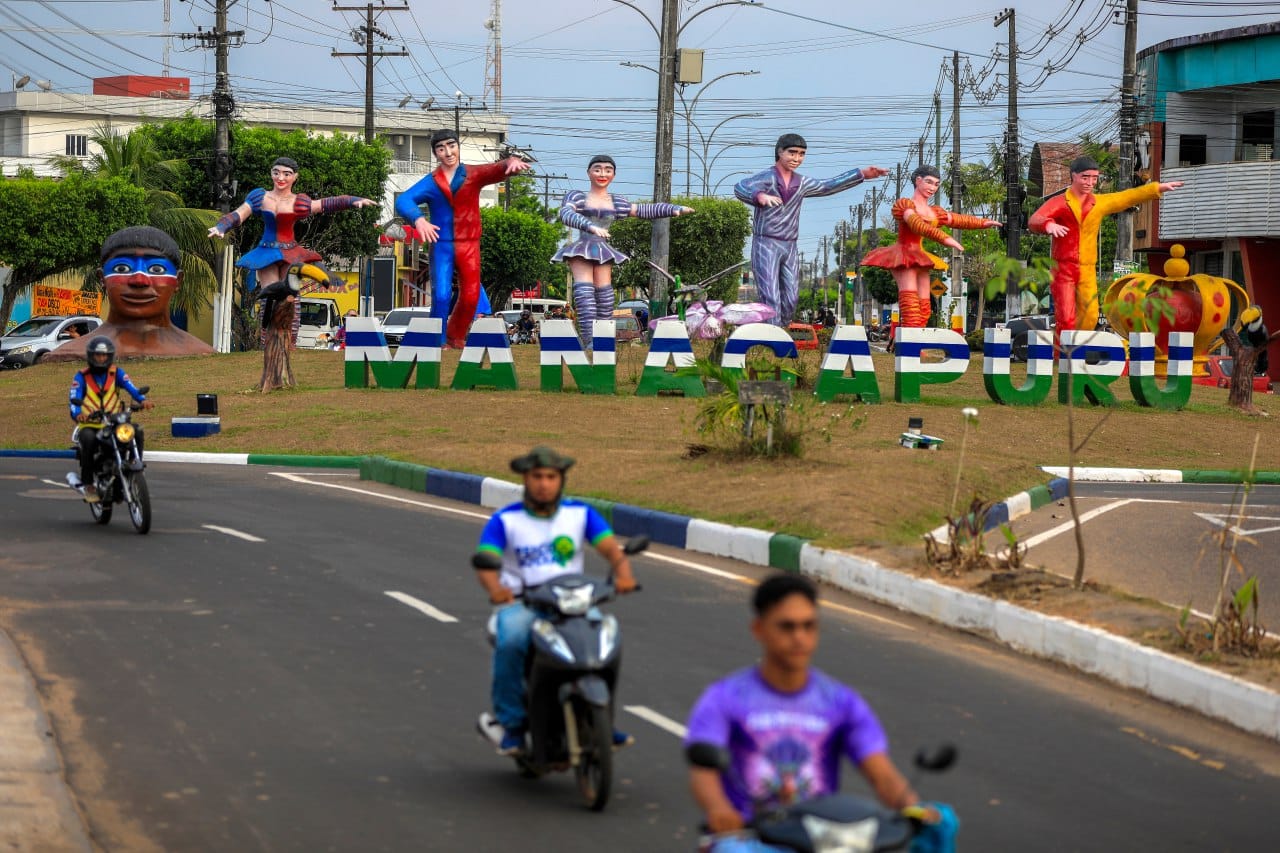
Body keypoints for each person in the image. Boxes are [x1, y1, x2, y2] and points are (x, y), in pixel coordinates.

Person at [684, 574, 957, 852]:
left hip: (824, 838)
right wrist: (719, 810)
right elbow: (702, 772)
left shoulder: (841, 702)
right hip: (750, 838)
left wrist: (913, 808)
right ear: (759, 629)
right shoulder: (723, 699)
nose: (799, 637)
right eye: (787, 627)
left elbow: (881, 774)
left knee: (942, 821)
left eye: (808, 626)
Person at [474, 446, 639, 755]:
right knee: (510, 642)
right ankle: (511, 724)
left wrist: (624, 576)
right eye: (537, 476)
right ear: (526, 478)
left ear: (561, 480)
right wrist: (495, 589)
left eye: (551, 477)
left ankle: (603, 718)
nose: (544, 484)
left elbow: (611, 549)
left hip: (572, 603)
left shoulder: (580, 514)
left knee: (606, 641)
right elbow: (486, 561)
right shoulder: (505, 520)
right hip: (523, 605)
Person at [209, 157, 376, 345]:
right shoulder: (260, 197)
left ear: (294, 177)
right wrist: (221, 227)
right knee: (270, 297)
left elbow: (325, 204)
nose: (280, 178)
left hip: (291, 253)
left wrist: (353, 201)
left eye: (286, 174)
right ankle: (268, 342)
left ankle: (290, 343)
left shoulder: (299, 202)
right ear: (271, 173)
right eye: (276, 172)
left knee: (291, 298)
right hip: (266, 253)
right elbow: (239, 213)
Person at [395, 131, 530, 348]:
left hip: (469, 242)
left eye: (451, 145)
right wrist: (419, 220)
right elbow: (403, 200)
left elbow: (494, 169)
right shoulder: (431, 182)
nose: (448, 152)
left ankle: (455, 335)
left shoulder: (472, 174)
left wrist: (510, 163)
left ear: (458, 147)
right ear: (435, 154)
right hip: (442, 243)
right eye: (441, 148)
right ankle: (437, 341)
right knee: (441, 295)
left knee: (471, 294)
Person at [736, 135, 887, 326]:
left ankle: (777, 331)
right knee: (771, 296)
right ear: (779, 152)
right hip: (766, 243)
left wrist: (861, 174)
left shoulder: (802, 182)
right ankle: (773, 341)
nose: (796, 158)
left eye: (801, 154)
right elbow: (741, 187)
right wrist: (759, 196)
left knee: (791, 299)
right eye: (792, 152)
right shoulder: (767, 178)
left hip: (789, 245)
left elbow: (826, 186)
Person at [1029, 156, 1182, 339]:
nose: (1090, 182)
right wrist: (1048, 224)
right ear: (1073, 176)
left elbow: (1126, 197)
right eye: (1085, 177)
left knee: (1091, 314)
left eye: (1094, 178)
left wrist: (1156, 188)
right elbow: (1034, 219)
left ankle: (1076, 348)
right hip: (1063, 268)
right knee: (1067, 317)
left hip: (1087, 268)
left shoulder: (1098, 203)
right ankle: (1062, 356)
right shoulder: (1060, 202)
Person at [553, 155, 693, 350]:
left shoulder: (617, 202)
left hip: (603, 251)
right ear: (589, 173)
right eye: (598, 169)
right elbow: (566, 214)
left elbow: (644, 210)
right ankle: (588, 341)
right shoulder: (577, 197)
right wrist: (591, 227)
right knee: (585, 296)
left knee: (605, 297)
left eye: (608, 170)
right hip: (582, 249)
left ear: (614, 175)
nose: (603, 174)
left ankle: (602, 340)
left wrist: (673, 209)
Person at [862, 165, 1000, 329]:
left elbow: (958, 219)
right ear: (918, 181)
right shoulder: (905, 205)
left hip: (920, 257)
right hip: (904, 257)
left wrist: (984, 223)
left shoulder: (934, 212)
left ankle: (915, 349)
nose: (932, 188)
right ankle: (909, 349)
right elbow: (917, 225)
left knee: (925, 310)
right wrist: (945, 238)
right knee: (911, 309)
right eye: (928, 182)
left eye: (936, 184)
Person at [48, 226, 216, 361]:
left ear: (177, 280)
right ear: (102, 278)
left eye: (156, 269)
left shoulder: (202, 354)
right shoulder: (72, 352)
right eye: (122, 268)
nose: (139, 280)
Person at [67, 336, 153, 503]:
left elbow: (132, 389)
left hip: (115, 421)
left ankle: (136, 465)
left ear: (110, 356)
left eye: (105, 355)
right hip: (91, 424)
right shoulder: (81, 377)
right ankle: (89, 484)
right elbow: (74, 399)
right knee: (88, 440)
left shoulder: (117, 373)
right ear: (91, 356)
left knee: (136, 430)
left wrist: (143, 400)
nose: (101, 358)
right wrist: (78, 414)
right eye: (98, 355)